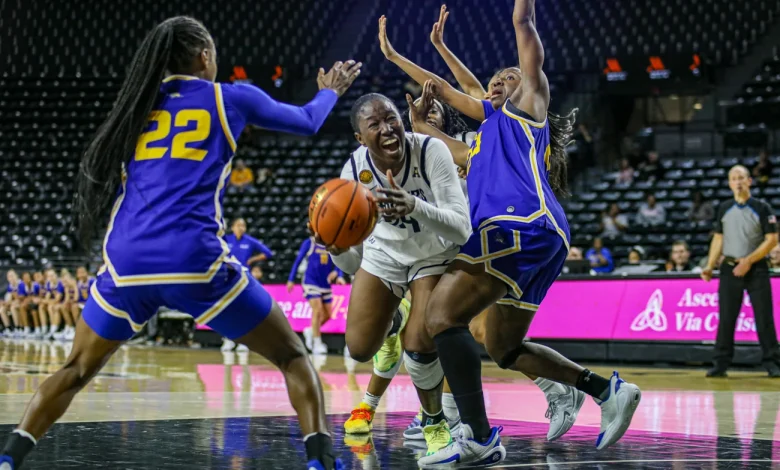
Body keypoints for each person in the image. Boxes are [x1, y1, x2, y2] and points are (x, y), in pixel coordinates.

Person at [0, 16, 360, 470]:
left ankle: (9, 459)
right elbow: (308, 121)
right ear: (204, 56)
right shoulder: (229, 96)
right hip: (194, 259)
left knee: (74, 370)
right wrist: (333, 89)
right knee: (292, 356)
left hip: (126, 262)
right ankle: (321, 460)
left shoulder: (135, 106)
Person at [378, 1, 642, 466]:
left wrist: (520, 14)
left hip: (517, 226)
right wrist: (412, 97)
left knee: (440, 317)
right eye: (495, 80)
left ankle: (475, 435)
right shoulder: (477, 143)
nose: (501, 82)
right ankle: (606, 390)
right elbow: (434, 117)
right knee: (502, 345)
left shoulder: (527, 111)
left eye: (509, 77)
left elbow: (523, 26)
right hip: (538, 241)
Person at [343, 83, 584, 446]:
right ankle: (442, 407)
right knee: (413, 338)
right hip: (430, 249)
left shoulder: (466, 143)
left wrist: (414, 202)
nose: (430, 117)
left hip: (475, 241)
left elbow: (459, 221)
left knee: (460, 334)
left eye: (437, 112)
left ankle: (447, 419)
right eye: (426, 115)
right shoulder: (378, 161)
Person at [701, 165, 780, 378]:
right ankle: (720, 363)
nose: (738, 182)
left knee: (764, 317)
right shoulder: (724, 208)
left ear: (749, 181)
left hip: (757, 268)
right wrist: (709, 265)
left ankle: (773, 362)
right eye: (734, 178)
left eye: (742, 178)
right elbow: (719, 238)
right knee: (726, 317)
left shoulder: (762, 208)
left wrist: (748, 261)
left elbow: (772, 239)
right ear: (729, 183)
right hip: (729, 268)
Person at [287, 236, 346, 355]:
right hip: (311, 281)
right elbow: (298, 259)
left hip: (325, 282)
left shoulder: (331, 242)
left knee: (328, 314)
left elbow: (340, 260)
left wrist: (339, 274)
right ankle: (317, 342)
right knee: (317, 310)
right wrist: (291, 279)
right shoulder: (309, 243)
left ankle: (310, 331)